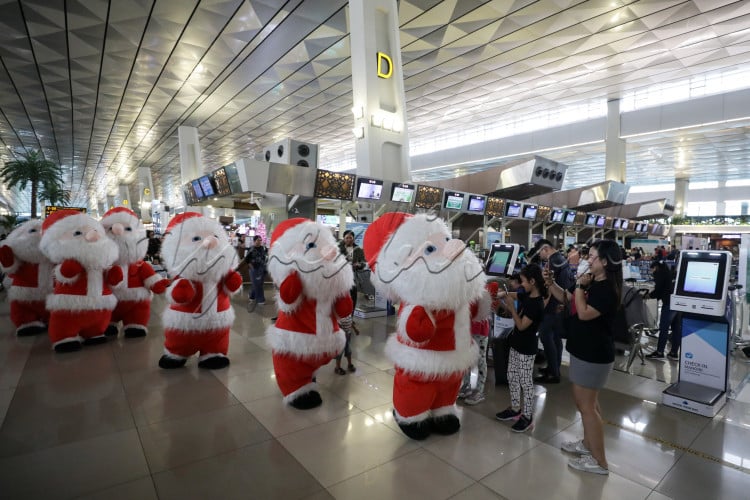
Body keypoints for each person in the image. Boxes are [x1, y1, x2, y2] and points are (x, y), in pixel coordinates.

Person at [545, 239, 623, 475]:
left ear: (606, 261)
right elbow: (565, 297)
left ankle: (600, 462)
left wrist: (579, 286)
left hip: (594, 354)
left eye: (592, 257)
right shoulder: (591, 282)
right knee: (589, 404)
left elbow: (585, 313)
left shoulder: (606, 288)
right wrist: (551, 284)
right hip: (583, 350)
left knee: (586, 406)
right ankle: (588, 445)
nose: (588, 260)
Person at [494, 264, 547, 432]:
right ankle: (515, 408)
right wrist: (501, 294)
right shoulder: (527, 294)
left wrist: (511, 308)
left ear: (532, 281)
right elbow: (516, 294)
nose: (521, 285)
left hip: (527, 347)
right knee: (512, 376)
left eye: (523, 281)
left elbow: (522, 325)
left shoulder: (536, 304)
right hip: (516, 343)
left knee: (525, 381)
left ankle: (527, 415)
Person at [531, 239, 575, 384]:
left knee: (546, 337)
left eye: (540, 252)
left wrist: (541, 307)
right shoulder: (562, 259)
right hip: (560, 305)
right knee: (555, 338)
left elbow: (549, 288)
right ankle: (553, 367)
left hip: (552, 307)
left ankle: (553, 374)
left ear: (545, 249)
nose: (540, 256)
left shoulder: (552, 262)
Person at [458, 283, 496, 405]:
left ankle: (479, 390)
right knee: (466, 359)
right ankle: (466, 384)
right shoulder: (465, 290)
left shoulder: (483, 291)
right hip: (467, 330)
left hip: (480, 332)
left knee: (480, 359)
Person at [645, 260, 681, 361]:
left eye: (652, 269)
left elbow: (659, 289)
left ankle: (660, 352)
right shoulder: (671, 273)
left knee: (664, 328)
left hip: (668, 304)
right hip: (678, 303)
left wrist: (649, 295)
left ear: (656, 267)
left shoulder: (660, 274)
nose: (652, 272)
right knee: (676, 328)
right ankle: (674, 353)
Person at [244, 235, 268, 305]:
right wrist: (252, 268)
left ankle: (252, 295)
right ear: (254, 241)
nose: (260, 241)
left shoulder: (264, 248)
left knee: (258, 283)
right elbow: (247, 260)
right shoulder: (251, 249)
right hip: (254, 269)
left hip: (263, 269)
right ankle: (260, 300)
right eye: (258, 240)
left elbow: (266, 256)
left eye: (260, 240)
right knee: (258, 284)